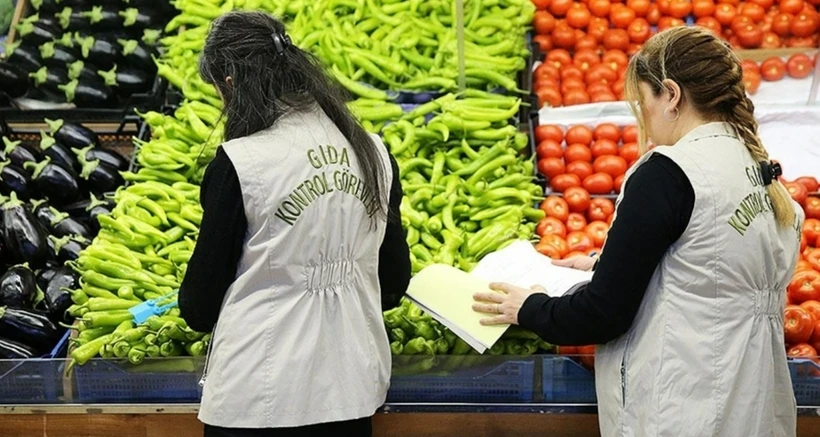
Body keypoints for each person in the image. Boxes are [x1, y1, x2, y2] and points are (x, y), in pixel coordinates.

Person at [473, 26, 802, 437]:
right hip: (754, 407)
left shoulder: (669, 172)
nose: (642, 116)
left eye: (642, 101)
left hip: (685, 410)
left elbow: (603, 314)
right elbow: (709, 265)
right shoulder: (757, 172)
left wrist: (529, 307)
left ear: (671, 95)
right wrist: (602, 263)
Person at [177, 11, 411, 437]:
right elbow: (394, 282)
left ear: (230, 83)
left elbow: (199, 306)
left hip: (257, 397)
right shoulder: (374, 153)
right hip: (351, 392)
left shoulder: (242, 164)